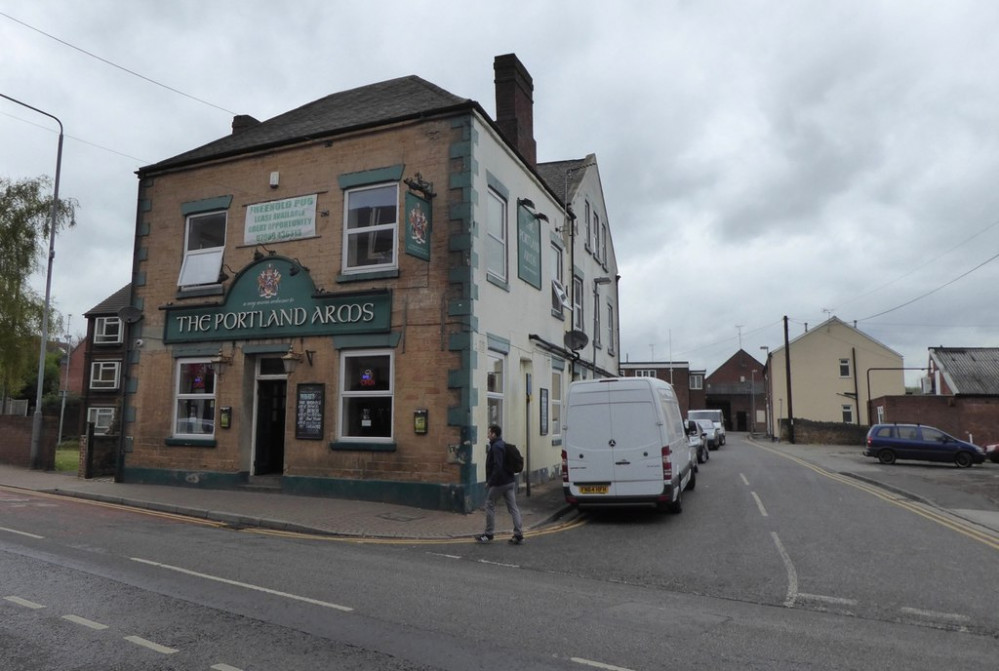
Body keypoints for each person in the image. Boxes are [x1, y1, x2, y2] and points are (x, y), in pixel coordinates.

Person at [475, 424, 524, 544]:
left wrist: (490, 482)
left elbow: (498, 466)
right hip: (510, 481)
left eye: (489, 433)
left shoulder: (496, 447)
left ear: (494, 434)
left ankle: (488, 534)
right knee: (513, 508)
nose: (487, 435)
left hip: (500, 482)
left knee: (489, 504)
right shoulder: (502, 444)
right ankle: (518, 534)